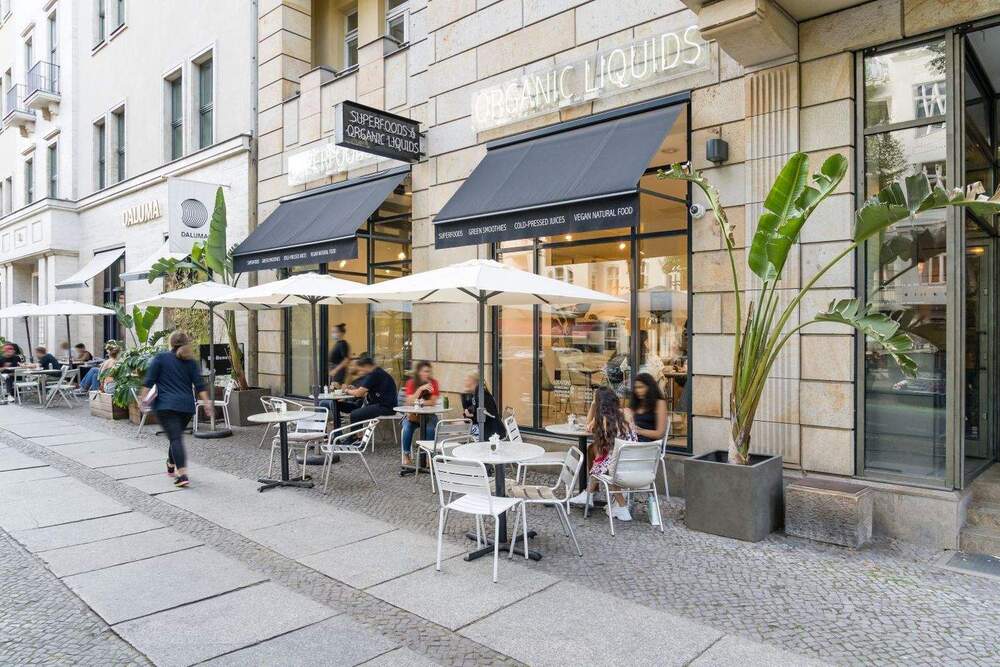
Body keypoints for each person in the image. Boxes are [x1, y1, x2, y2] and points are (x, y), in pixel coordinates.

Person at [139, 332, 209, 488]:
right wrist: (207, 403)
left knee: (175, 438)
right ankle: (171, 464)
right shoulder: (191, 362)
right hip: (186, 408)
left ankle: (182, 474)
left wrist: (142, 400)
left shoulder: (160, 358)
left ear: (170, 343)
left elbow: (149, 382)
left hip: (166, 406)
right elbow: (200, 385)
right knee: (175, 436)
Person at [568, 386, 637, 521]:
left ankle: (619, 506)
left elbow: (589, 427)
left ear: (600, 403)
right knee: (600, 461)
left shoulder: (606, 419)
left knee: (600, 463)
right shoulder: (627, 411)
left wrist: (593, 404)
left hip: (619, 465)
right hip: (634, 460)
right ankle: (588, 495)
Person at [400, 361, 440, 466]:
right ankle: (406, 455)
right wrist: (420, 389)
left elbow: (433, 402)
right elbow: (409, 401)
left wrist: (420, 402)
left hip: (429, 415)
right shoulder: (411, 383)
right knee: (407, 428)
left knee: (430, 428)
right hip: (413, 416)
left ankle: (428, 456)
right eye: (424, 371)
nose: (427, 374)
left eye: (428, 371)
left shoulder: (433, 383)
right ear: (418, 372)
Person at [342, 355, 398, 425]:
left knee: (354, 414)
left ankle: (357, 433)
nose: (362, 372)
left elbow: (359, 393)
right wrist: (354, 389)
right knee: (356, 411)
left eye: (362, 369)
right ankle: (359, 432)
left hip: (385, 407)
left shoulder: (374, 374)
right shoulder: (377, 372)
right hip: (385, 405)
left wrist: (347, 390)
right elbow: (363, 391)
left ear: (367, 366)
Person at [461, 371, 504, 440]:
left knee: (459, 433)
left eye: (467, 380)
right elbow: (474, 413)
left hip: (492, 435)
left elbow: (482, 418)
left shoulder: (482, 396)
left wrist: (469, 417)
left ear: (474, 382)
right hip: (488, 430)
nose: (465, 382)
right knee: (459, 430)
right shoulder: (477, 395)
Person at [629, 372, 668, 443]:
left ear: (650, 387)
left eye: (641, 387)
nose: (637, 390)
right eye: (636, 388)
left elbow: (660, 434)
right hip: (633, 440)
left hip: (650, 443)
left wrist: (640, 431)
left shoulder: (659, 403)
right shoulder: (636, 404)